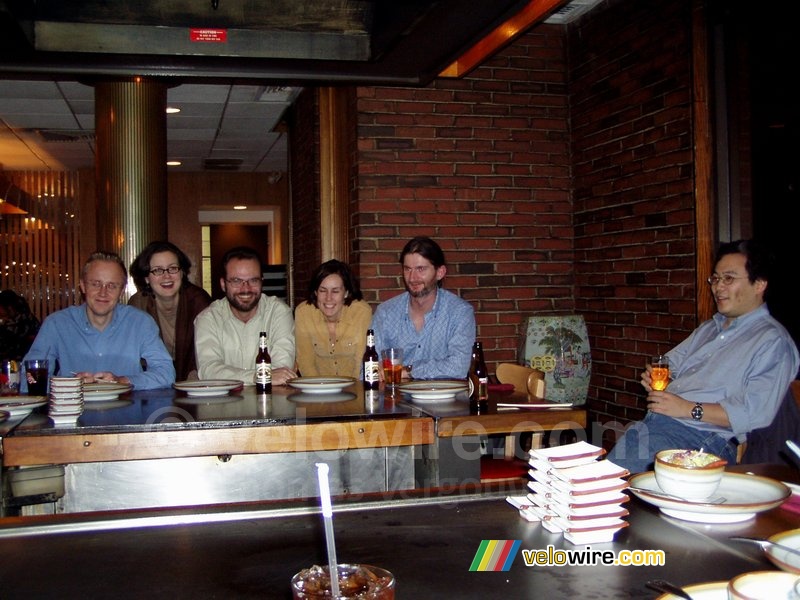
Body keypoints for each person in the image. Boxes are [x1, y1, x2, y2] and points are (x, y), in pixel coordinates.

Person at [607, 239, 800, 473]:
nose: (718, 287)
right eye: (716, 279)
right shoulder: (709, 329)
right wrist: (655, 377)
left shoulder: (772, 341)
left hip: (703, 442)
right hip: (654, 428)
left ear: (759, 284)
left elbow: (756, 413)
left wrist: (687, 408)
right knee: (590, 483)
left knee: (604, 492)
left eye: (729, 278)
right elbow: (669, 364)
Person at [22, 251, 175, 390]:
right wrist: (70, 384)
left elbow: (166, 373)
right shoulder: (56, 324)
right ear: (82, 286)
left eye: (112, 286)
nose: (103, 293)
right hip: (71, 413)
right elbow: (27, 378)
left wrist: (123, 381)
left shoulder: (140, 323)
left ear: (121, 291)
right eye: (95, 284)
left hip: (127, 414)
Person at [370, 236, 475, 380]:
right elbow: (371, 367)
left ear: (440, 272)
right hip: (395, 399)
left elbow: (459, 366)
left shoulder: (459, 312)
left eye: (420, 269)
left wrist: (409, 371)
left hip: (443, 399)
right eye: (407, 269)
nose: (412, 278)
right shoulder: (386, 313)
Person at [194, 246, 296, 385]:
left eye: (253, 280)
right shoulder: (208, 319)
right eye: (236, 281)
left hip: (269, 402)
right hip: (224, 404)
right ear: (223, 284)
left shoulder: (279, 313)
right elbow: (208, 370)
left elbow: (282, 369)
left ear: (262, 282)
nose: (246, 288)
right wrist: (256, 377)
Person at [129, 241, 212, 381]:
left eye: (172, 268)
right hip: (154, 382)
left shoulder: (199, 301)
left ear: (182, 273)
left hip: (195, 382)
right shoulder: (137, 304)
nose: (166, 276)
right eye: (158, 270)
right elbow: (135, 356)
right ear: (146, 278)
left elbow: (206, 355)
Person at [295, 259, 372, 379]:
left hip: (355, 389)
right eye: (322, 290)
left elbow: (361, 364)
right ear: (315, 292)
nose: (328, 298)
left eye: (335, 291)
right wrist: (320, 390)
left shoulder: (361, 312)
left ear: (346, 293)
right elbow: (305, 363)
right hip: (318, 390)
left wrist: (352, 392)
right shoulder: (303, 313)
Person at [0, 289, 40, 361]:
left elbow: (10, 341)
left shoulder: (23, 319)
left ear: (9, 307)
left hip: (24, 359)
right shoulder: (17, 318)